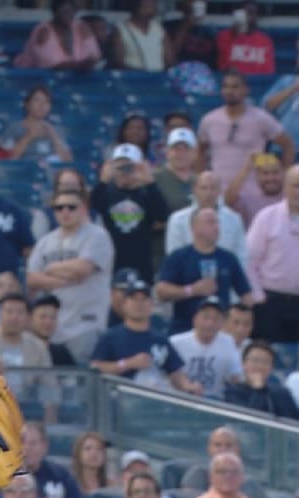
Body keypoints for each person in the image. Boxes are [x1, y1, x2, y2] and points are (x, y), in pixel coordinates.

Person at [27, 181, 114, 364]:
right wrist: (66, 278)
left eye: (71, 207)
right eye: (59, 208)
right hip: (52, 328)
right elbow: (32, 279)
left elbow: (84, 268)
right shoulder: (46, 241)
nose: (65, 212)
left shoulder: (97, 236)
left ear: (83, 209)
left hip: (85, 325)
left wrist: (50, 269)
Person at [198, 72, 294, 225]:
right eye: (226, 87)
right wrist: (201, 177)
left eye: (235, 86)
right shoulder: (209, 120)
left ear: (246, 90)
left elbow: (287, 145)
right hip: (219, 194)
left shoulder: (261, 118)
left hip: (254, 195)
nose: (230, 91)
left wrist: (287, 176)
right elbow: (200, 150)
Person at [91, 279, 201, 394]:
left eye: (144, 299)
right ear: (124, 304)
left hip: (152, 402)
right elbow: (95, 367)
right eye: (134, 299)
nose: (139, 304)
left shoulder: (160, 340)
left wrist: (190, 387)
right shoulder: (110, 337)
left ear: (151, 305)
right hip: (119, 402)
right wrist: (128, 364)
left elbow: (177, 375)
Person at [156, 208, 252, 335]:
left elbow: (246, 295)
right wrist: (192, 290)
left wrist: (241, 321)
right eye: (210, 222)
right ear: (194, 228)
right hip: (184, 328)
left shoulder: (228, 258)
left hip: (220, 331)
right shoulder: (179, 257)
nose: (216, 226)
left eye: (217, 222)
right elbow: (161, 291)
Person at [90, 143, 167, 283]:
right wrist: (103, 181)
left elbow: (162, 215)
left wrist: (149, 182)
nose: (125, 171)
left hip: (141, 261)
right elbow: (92, 207)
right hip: (112, 262)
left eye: (129, 166)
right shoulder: (106, 193)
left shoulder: (147, 194)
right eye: (120, 166)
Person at [246, 164, 299, 344]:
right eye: (295, 185)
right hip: (270, 301)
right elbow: (249, 261)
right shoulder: (266, 217)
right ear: (285, 187)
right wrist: (258, 297)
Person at [164, 171, 247, 265]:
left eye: (213, 188)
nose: (209, 193)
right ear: (194, 190)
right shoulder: (177, 220)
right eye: (204, 188)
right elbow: (173, 256)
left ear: (220, 191)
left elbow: (241, 255)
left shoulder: (234, 219)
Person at [14, 0, 100, 70]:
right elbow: (49, 65)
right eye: (65, 12)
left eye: (71, 12)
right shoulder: (43, 31)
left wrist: (89, 62)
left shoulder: (81, 27)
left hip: (71, 81)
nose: (68, 16)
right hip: (29, 78)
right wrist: (80, 65)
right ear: (55, 12)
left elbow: (94, 56)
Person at [226, 341, 299, 419]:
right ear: (244, 364)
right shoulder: (232, 392)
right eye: (255, 360)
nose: (259, 366)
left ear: (271, 367)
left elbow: (292, 421)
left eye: (265, 362)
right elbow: (249, 420)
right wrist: (258, 389)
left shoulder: (281, 393)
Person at [3, 86, 72, 163]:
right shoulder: (14, 128)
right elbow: (9, 158)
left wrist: (53, 135)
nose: (42, 105)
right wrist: (29, 136)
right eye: (37, 100)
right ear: (27, 105)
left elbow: (68, 161)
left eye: (46, 102)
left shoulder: (57, 130)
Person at [216, 1, 274, 75]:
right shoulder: (224, 36)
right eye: (244, 13)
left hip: (256, 83)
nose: (247, 17)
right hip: (232, 83)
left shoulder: (265, 41)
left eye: (250, 13)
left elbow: (268, 72)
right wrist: (234, 34)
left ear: (257, 16)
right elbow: (222, 65)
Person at [112, 0, 172, 72]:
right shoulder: (120, 30)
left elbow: (170, 60)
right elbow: (118, 63)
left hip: (159, 79)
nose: (152, 6)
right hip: (133, 79)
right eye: (147, 5)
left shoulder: (159, 29)